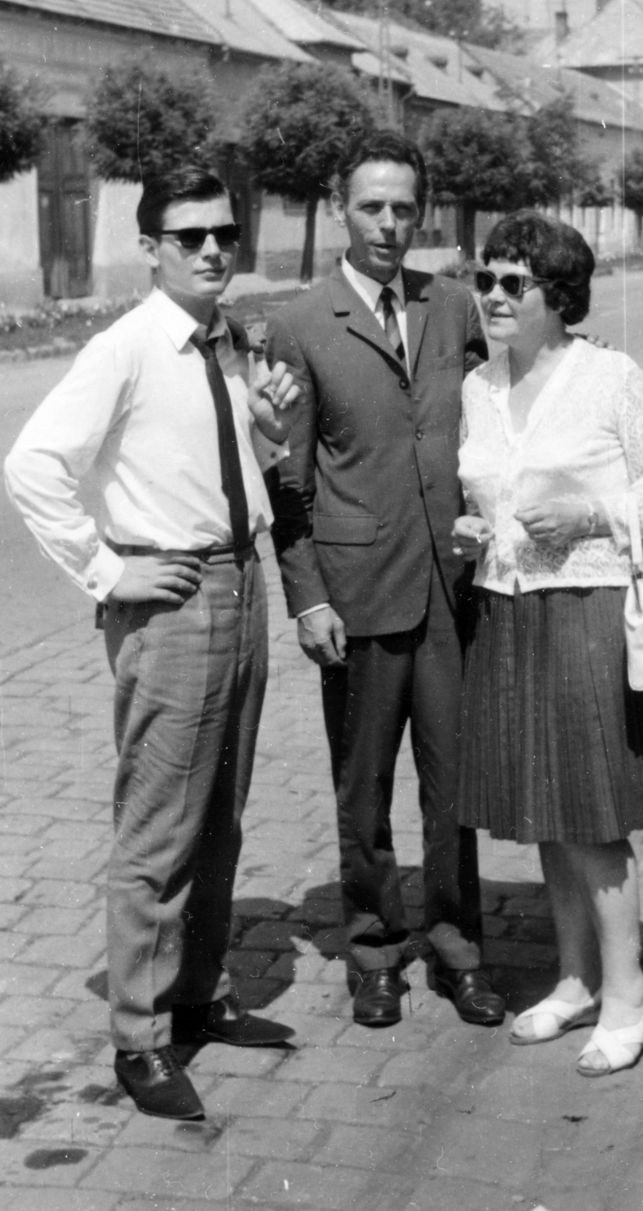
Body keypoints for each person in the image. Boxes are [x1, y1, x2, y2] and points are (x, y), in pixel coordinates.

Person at [4, 166, 299, 1122]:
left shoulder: (225, 342)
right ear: (151, 250)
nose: (213, 249)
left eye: (224, 231)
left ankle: (196, 998)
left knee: (221, 814)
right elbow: (33, 465)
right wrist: (105, 571)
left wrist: (267, 438)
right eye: (189, 238)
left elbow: (211, 462)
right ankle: (138, 1039)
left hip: (238, 580)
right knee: (157, 828)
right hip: (170, 597)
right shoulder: (125, 348)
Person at [266, 134, 505, 1030]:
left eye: (404, 208)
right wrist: (309, 597)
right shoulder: (299, 324)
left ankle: (458, 950)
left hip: (450, 594)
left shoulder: (453, 308)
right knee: (362, 793)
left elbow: (490, 430)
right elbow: (285, 482)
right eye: (372, 207)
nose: (389, 225)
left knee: (456, 791)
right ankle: (373, 953)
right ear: (342, 209)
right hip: (357, 599)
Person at [453, 212, 643, 1076]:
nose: (492, 296)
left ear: (559, 295)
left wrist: (591, 512)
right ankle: (574, 978)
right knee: (539, 811)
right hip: (507, 611)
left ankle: (630, 994)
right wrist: (471, 530)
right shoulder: (479, 385)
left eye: (513, 283)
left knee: (591, 812)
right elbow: (489, 492)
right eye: (485, 280)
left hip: (588, 611)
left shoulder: (610, 376)